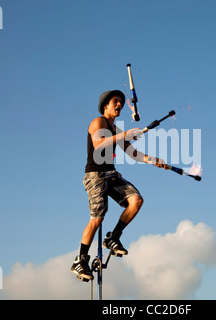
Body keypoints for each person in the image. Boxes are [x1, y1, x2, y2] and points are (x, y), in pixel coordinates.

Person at [71, 90, 166, 281]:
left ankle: (112, 238)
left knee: (136, 200)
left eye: (121, 102)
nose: (119, 105)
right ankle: (80, 260)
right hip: (95, 175)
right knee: (97, 218)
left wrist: (152, 159)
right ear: (105, 105)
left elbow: (133, 153)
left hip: (111, 174)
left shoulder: (117, 131)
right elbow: (99, 143)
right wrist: (124, 136)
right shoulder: (98, 122)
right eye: (116, 101)